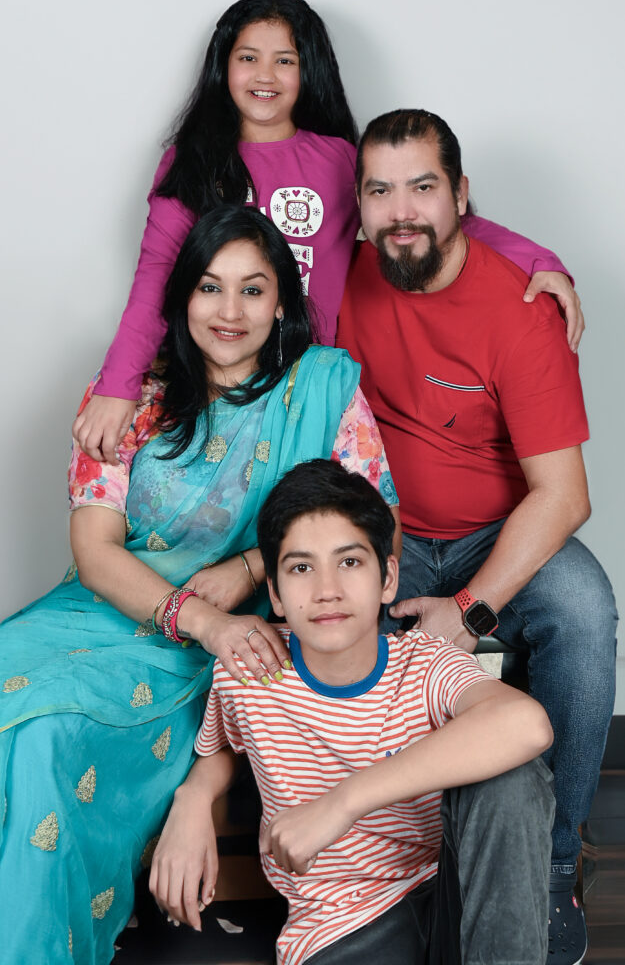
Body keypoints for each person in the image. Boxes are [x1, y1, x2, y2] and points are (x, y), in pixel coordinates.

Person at [0, 207, 400, 965]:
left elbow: (370, 525)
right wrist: (199, 617)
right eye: (210, 287)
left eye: (253, 289)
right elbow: (94, 552)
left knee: (45, 735)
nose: (229, 311)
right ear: (182, 296)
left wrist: (247, 570)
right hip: (103, 612)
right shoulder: (127, 397)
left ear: (281, 302)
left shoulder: (322, 389)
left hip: (215, 649)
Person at [72, 0, 581, 466]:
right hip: (209, 383)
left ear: (308, 70)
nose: (265, 75)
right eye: (247, 57)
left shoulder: (337, 161)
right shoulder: (190, 163)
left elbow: (429, 221)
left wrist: (543, 262)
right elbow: (155, 279)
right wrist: (117, 386)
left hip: (306, 392)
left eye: (285, 60)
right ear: (223, 66)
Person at [336, 109, 619, 965]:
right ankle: (371, 868)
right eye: (380, 191)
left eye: (422, 187)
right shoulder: (344, 273)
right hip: (383, 527)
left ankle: (552, 867)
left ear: (461, 195)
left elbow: (563, 497)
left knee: (583, 610)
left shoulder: (519, 308)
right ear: (357, 203)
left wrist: (468, 611)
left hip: (493, 533)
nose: (401, 212)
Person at [151, 459, 555, 965]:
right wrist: (191, 800)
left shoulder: (426, 664)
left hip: (454, 898)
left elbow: (526, 724)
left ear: (388, 579)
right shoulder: (251, 669)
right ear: (275, 594)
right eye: (301, 568)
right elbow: (225, 746)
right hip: (340, 925)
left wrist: (341, 804)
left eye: (349, 562)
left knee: (512, 778)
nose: (327, 590)